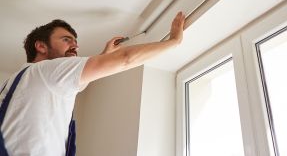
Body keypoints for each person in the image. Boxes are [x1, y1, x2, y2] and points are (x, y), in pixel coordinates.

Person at [0, 12, 185, 156]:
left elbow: (79, 84)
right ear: (41, 46)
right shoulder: (44, 71)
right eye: (66, 40)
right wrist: (173, 41)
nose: (76, 46)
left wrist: (104, 56)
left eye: (75, 41)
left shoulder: (26, 81)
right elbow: (126, 59)